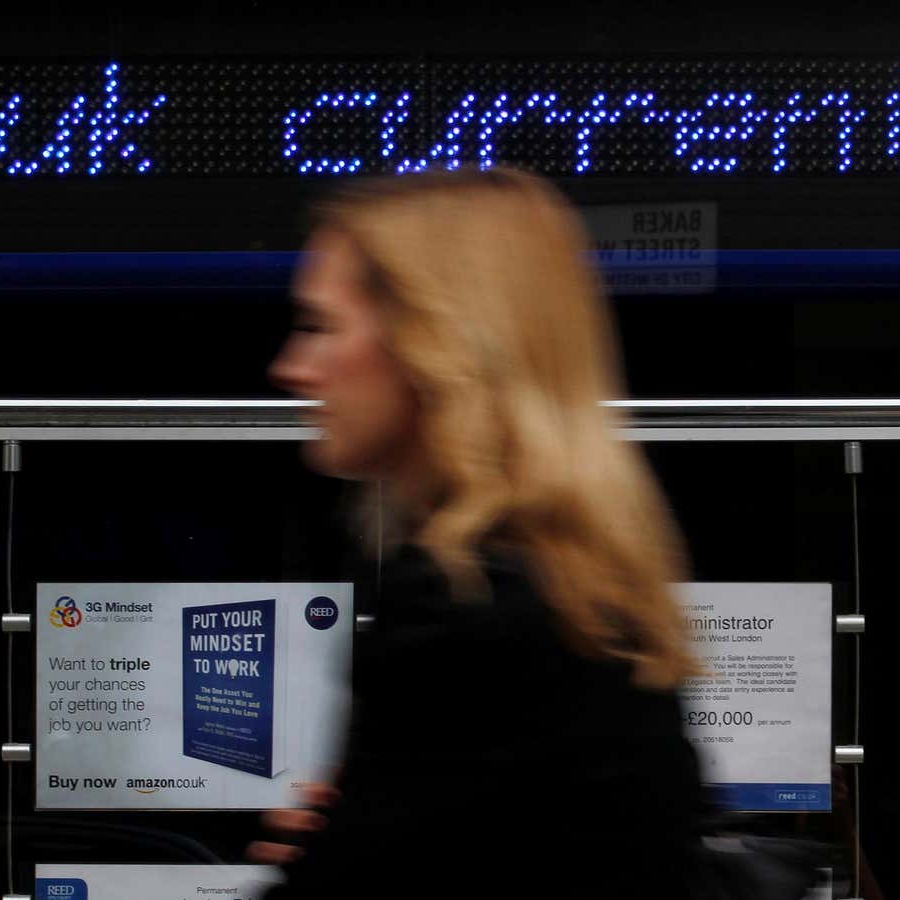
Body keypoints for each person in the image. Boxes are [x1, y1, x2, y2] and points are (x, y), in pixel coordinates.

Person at [255, 168, 704, 896]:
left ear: (433, 341)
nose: (294, 369)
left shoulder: (462, 610)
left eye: (320, 326)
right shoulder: (583, 591)